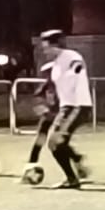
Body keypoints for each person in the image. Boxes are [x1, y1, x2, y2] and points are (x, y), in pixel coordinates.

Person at [33, 29, 94, 188]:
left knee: (55, 142)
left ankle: (73, 178)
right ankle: (77, 166)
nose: (44, 50)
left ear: (55, 44)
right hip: (66, 108)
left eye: (46, 46)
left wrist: (75, 72)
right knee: (57, 142)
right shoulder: (57, 64)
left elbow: (77, 68)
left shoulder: (71, 56)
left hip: (77, 106)